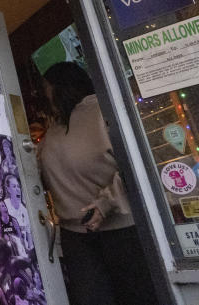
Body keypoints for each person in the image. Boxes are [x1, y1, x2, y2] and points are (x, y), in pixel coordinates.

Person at [38, 62, 159, 305]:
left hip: (119, 231)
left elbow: (136, 165)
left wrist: (106, 203)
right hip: (82, 236)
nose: (44, 95)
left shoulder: (102, 112)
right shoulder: (54, 130)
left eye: (46, 88)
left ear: (59, 87)